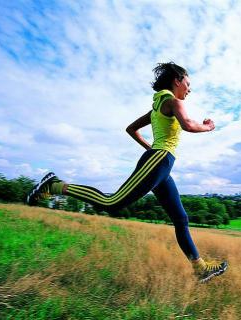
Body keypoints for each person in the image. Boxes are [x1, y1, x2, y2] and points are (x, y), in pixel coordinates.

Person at [27, 62, 228, 283]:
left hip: (160, 163)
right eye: (188, 84)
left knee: (180, 218)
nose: (189, 89)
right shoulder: (173, 101)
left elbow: (130, 129)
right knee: (111, 202)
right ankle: (54, 185)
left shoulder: (156, 109)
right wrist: (208, 126)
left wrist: (150, 149)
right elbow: (188, 125)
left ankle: (200, 268)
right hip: (159, 161)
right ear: (177, 80)